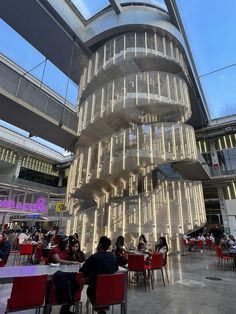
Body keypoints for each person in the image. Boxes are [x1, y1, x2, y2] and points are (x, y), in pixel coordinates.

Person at [80, 236, 118, 313]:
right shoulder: (113, 257)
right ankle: (102, 308)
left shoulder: (94, 257)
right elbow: (116, 269)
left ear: (100, 245)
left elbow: (82, 272)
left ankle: (99, 308)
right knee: (102, 287)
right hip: (111, 292)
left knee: (90, 288)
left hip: (95, 293)